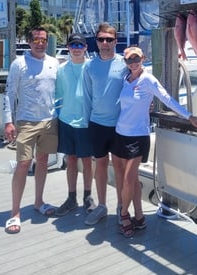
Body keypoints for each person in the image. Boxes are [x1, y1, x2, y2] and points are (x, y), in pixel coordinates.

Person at [113, 46, 197, 238]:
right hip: (120, 133)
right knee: (129, 180)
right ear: (126, 63)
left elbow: (167, 99)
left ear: (143, 57)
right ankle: (139, 216)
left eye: (136, 59)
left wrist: (189, 116)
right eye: (129, 60)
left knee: (129, 178)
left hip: (138, 136)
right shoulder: (125, 79)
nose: (133, 63)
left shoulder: (148, 79)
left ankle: (123, 214)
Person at [3, 27, 59, 234]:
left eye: (43, 39)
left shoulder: (54, 63)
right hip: (26, 121)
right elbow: (9, 93)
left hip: (50, 121)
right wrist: (8, 122)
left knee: (43, 161)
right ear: (29, 41)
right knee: (23, 164)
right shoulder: (19, 64)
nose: (40, 43)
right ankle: (15, 213)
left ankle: (38, 202)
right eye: (36, 39)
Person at [82, 23, 127, 226]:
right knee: (99, 165)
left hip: (120, 126)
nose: (105, 43)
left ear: (115, 41)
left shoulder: (125, 63)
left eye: (109, 39)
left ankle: (120, 206)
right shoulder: (89, 66)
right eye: (101, 39)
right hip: (97, 124)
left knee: (118, 166)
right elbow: (86, 97)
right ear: (96, 42)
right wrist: (86, 123)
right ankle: (101, 205)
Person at [55, 33, 95, 217]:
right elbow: (58, 94)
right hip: (66, 120)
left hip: (86, 121)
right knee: (70, 160)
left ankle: (88, 196)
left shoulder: (92, 67)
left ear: (85, 47)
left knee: (87, 160)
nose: (77, 48)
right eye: (73, 45)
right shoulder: (62, 69)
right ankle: (71, 198)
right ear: (68, 48)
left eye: (80, 45)